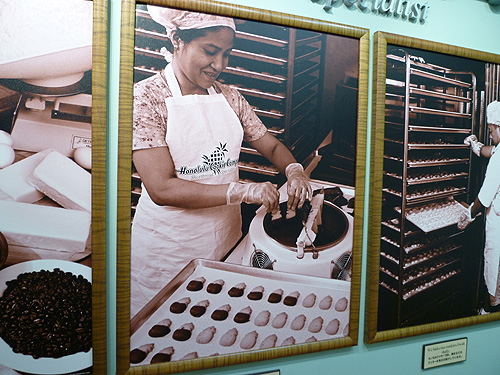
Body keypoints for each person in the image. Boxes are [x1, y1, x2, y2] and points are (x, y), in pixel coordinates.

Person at [130, 6, 312, 317]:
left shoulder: (230, 97)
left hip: (225, 237)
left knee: (215, 321)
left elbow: (271, 146)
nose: (219, 65)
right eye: (210, 51)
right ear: (176, 39)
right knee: (164, 330)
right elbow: (161, 189)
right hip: (169, 248)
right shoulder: (145, 98)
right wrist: (242, 191)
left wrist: (295, 171)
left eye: (226, 53)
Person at [459, 100, 500, 314]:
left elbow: (484, 198)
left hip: (498, 226)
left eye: (492, 130)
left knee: (493, 270)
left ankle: (488, 313)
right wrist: (474, 145)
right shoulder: (499, 150)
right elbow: (490, 150)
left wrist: (468, 214)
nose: (491, 134)